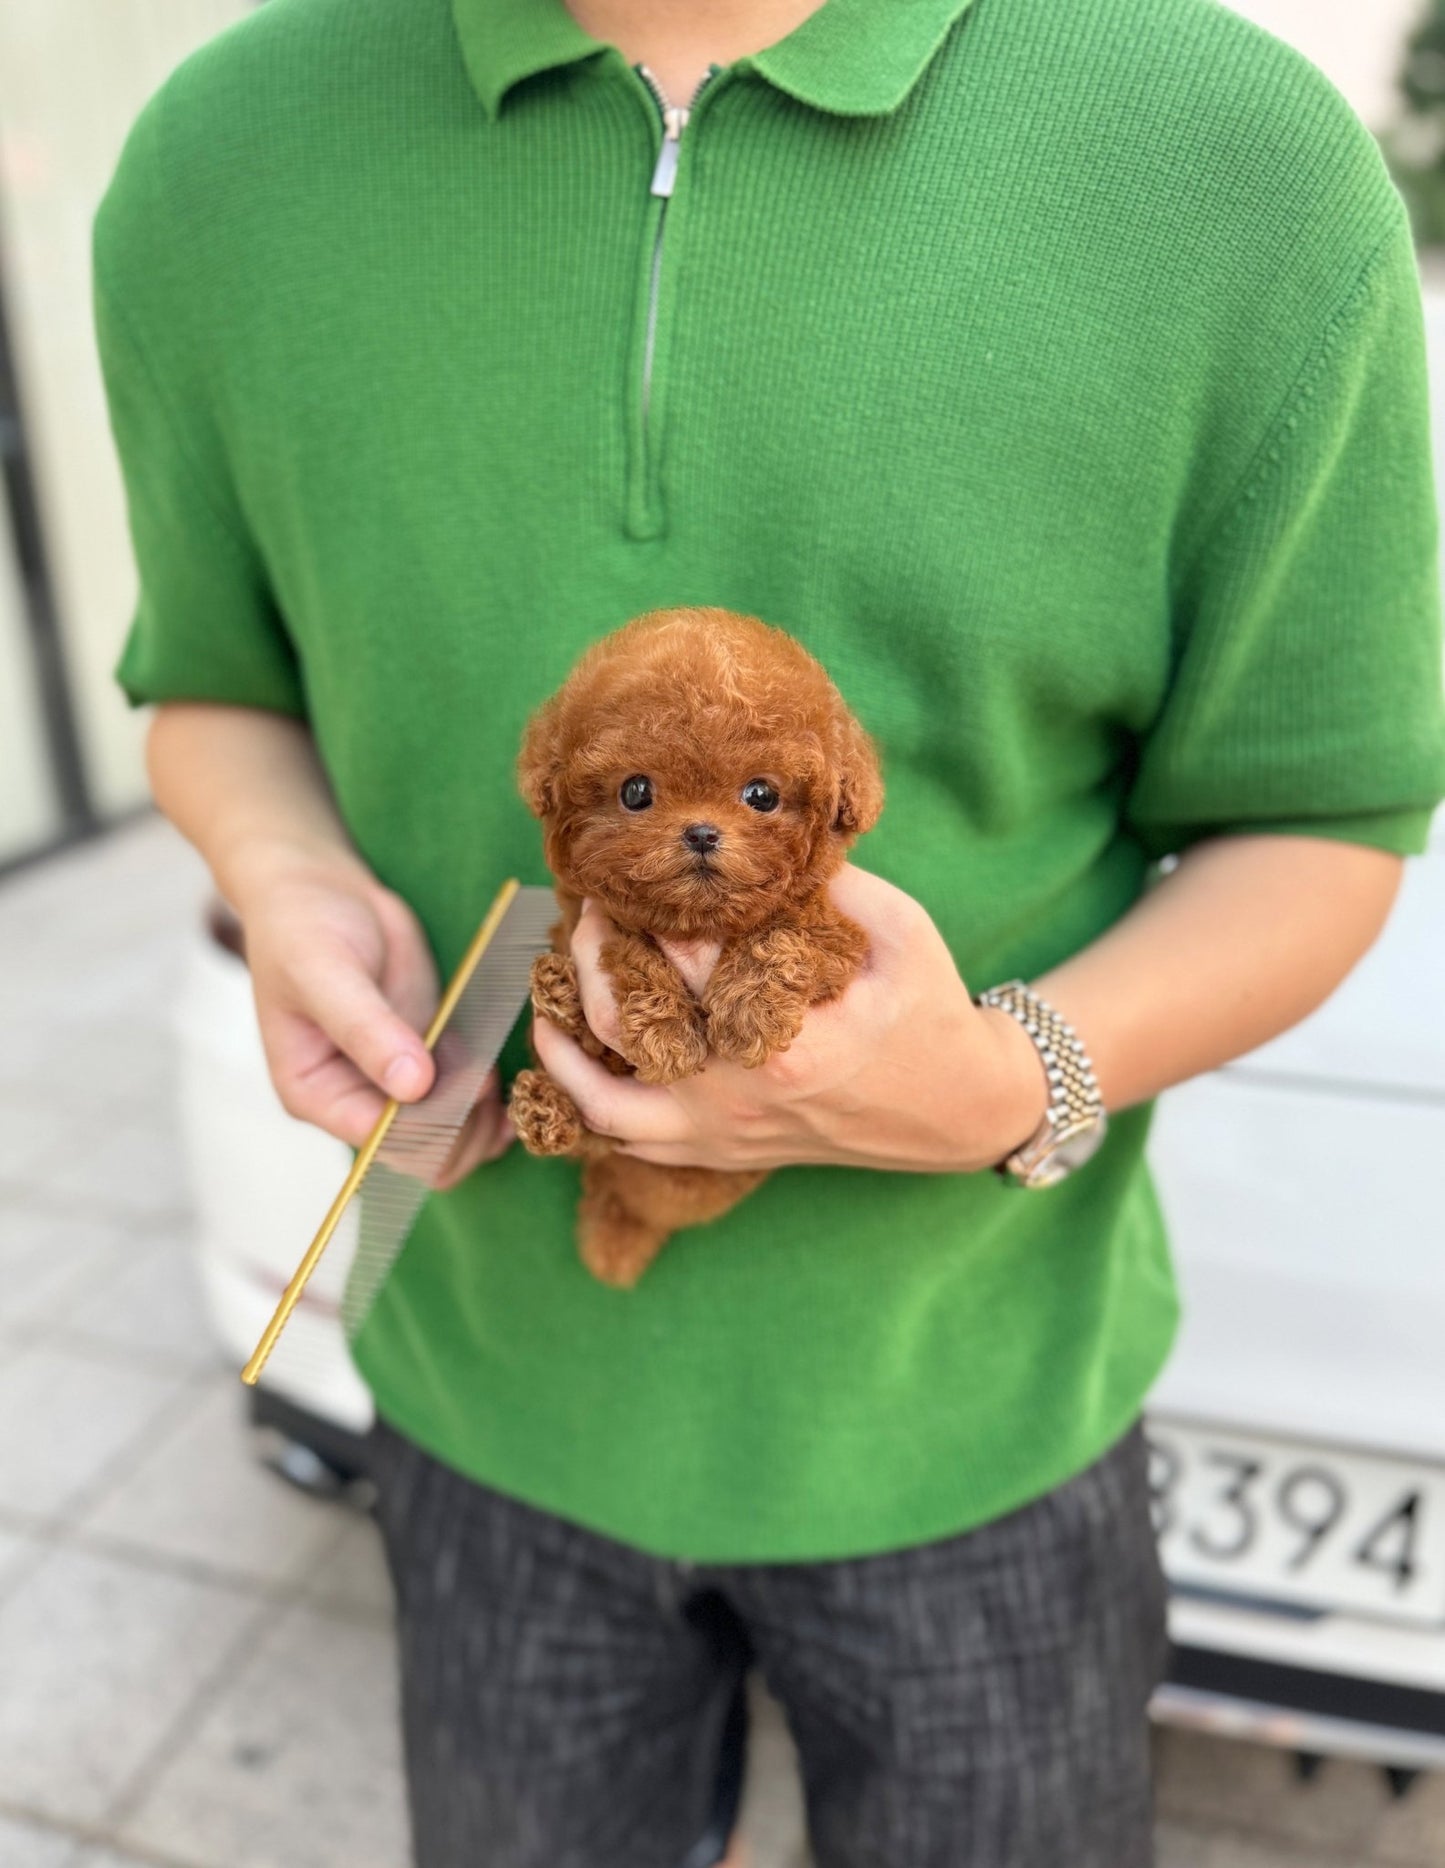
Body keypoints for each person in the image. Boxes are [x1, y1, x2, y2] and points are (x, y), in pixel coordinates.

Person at [93, 0, 1445, 1862]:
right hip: (479, 1387)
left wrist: (1008, 1080)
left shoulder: (1234, 159)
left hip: (982, 1417)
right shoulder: (220, 156)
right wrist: (286, 873)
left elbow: (1319, 815)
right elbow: (211, 685)